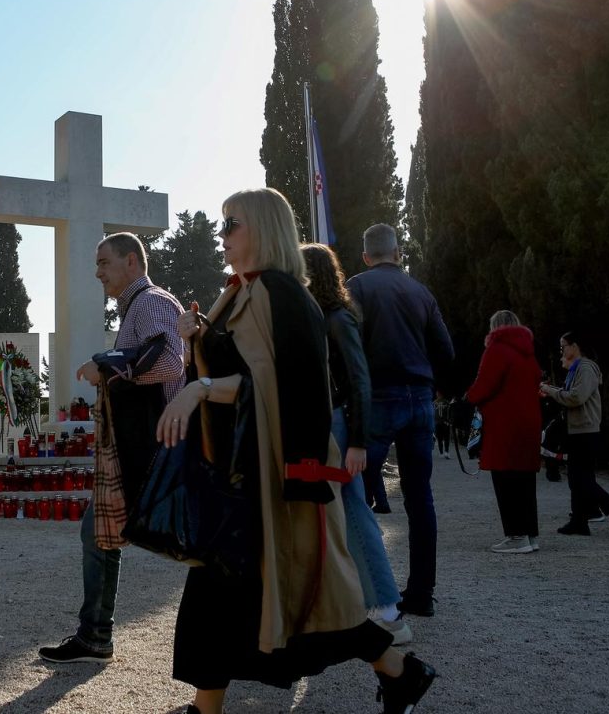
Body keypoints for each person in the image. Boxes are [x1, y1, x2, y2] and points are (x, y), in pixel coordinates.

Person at [160, 189, 435, 714]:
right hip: (248, 474)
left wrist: (201, 388)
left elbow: (279, 389)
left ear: (261, 229)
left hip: (274, 479)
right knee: (240, 598)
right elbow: (245, 374)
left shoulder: (280, 293)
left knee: (299, 601)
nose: (222, 234)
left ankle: (395, 666)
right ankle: (395, 670)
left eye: (231, 223)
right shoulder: (243, 293)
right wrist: (195, 337)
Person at [39, 232, 185, 665]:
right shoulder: (139, 305)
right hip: (146, 442)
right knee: (99, 533)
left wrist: (104, 367)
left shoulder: (151, 301)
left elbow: (170, 362)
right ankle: (95, 635)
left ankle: (96, 635)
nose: (98, 272)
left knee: (185, 542)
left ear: (133, 263)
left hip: (156, 446)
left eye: (105, 262)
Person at [302, 242, 411, 644]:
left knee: (352, 508)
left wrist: (359, 442)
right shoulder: (326, 317)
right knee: (338, 512)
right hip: (332, 424)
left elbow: (359, 381)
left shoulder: (336, 319)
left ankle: (387, 608)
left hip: (340, 426)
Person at [346, 223, 454, 618]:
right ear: (398, 252)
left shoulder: (356, 287)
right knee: (419, 497)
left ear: (365, 255)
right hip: (420, 397)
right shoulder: (421, 291)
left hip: (377, 397)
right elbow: (445, 349)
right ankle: (422, 592)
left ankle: (366, 589)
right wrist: (437, 386)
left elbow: (349, 345)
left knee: (354, 493)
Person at [465, 310, 543, 553]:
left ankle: (515, 535)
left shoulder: (497, 349)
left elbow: (485, 384)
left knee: (505, 478)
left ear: (495, 327)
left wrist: (468, 399)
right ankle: (530, 534)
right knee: (526, 480)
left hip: (504, 423)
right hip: (529, 422)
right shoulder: (529, 354)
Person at [540, 332, 609, 535]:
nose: (561, 350)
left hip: (585, 430)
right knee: (577, 477)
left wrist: (550, 390)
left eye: (564, 345)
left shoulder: (586, 368)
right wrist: (551, 390)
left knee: (580, 478)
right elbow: (570, 394)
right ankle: (579, 521)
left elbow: (576, 397)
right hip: (578, 429)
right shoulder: (576, 369)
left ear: (575, 346)